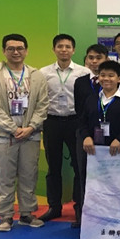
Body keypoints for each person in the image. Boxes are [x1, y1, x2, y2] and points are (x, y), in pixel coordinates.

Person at [0, 34, 49, 232]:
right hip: (4, 135)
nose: (16, 52)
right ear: (4, 51)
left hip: (31, 134)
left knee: (29, 174)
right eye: (11, 48)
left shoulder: (36, 76)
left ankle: (27, 214)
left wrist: (31, 127)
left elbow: (43, 104)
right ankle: (5, 216)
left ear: (26, 51)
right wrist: (13, 128)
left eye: (20, 48)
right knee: (5, 176)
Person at [79, 60, 120, 227]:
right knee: (94, 185)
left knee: (119, 185)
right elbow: (82, 122)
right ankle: (93, 221)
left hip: (119, 151)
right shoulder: (91, 99)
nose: (106, 79)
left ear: (119, 78)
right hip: (94, 151)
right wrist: (86, 137)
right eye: (103, 75)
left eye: (111, 75)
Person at [39, 34, 90, 222]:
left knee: (79, 166)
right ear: (54, 49)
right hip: (52, 121)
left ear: (73, 50)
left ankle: (79, 208)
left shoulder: (84, 72)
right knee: (53, 167)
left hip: (75, 122)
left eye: (68, 46)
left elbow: (87, 100)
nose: (64, 50)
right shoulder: (43, 73)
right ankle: (54, 207)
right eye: (60, 46)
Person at [73, 43, 109, 228]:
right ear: (86, 60)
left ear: (106, 59)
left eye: (99, 58)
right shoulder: (80, 82)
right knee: (83, 174)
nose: (94, 61)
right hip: (86, 134)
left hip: (109, 136)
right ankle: (82, 216)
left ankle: (108, 215)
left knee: (109, 175)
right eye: (91, 58)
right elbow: (79, 112)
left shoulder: (114, 80)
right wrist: (85, 135)